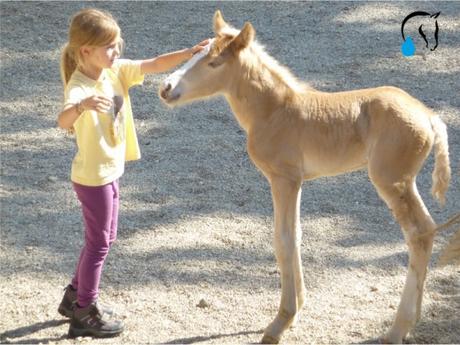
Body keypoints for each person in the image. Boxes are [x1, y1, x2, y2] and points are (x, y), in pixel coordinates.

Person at [57, 8, 209, 338]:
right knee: (98, 244)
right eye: (110, 47)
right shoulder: (81, 85)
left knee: (104, 239)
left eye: (118, 45)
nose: (117, 52)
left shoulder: (115, 72)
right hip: (92, 179)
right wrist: (82, 106)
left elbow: (154, 64)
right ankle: (84, 310)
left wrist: (189, 54)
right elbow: (63, 121)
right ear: (86, 51)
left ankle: (73, 296)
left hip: (109, 172)